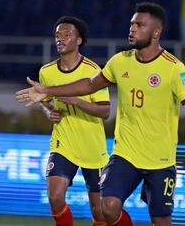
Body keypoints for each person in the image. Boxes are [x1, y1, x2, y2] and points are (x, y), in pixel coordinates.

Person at [16, 2, 185, 226]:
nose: (132, 29)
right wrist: (47, 92)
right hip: (124, 154)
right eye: (131, 24)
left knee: (161, 220)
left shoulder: (174, 68)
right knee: (107, 208)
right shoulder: (119, 61)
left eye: (140, 25)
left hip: (160, 159)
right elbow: (89, 85)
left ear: (156, 32)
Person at [36, 16, 110, 226]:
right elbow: (46, 102)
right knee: (55, 197)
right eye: (57, 35)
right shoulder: (46, 72)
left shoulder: (94, 71)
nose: (60, 39)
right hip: (63, 144)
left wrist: (77, 102)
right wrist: (48, 111)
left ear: (79, 40)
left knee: (100, 212)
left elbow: (105, 111)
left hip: (92, 147)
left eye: (67, 35)